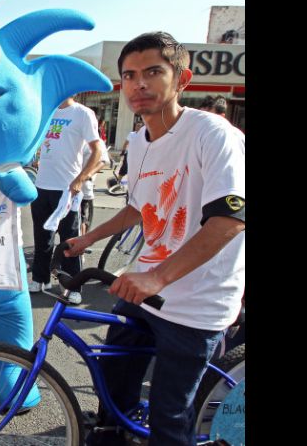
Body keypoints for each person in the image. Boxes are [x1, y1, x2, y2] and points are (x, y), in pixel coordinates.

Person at [64, 32, 245, 446]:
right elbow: (139, 208)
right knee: (113, 392)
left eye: (152, 72)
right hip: (145, 289)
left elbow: (231, 218)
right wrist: (86, 237)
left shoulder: (212, 134)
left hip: (197, 300)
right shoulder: (138, 140)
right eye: (128, 75)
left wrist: (158, 278)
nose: (138, 84)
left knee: (170, 421)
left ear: (182, 79)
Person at [29, 95, 102, 305]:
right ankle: (40, 278)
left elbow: (98, 151)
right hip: (42, 185)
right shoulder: (47, 112)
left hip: (67, 188)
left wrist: (81, 178)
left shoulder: (82, 114)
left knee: (70, 240)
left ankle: (73, 286)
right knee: (42, 237)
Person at [79, 139, 110, 236]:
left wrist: (88, 174)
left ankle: (80, 245)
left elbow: (103, 161)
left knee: (80, 217)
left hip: (83, 185)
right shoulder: (72, 136)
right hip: (65, 183)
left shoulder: (97, 141)